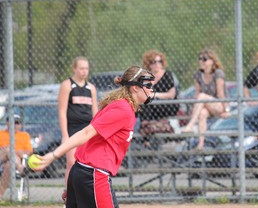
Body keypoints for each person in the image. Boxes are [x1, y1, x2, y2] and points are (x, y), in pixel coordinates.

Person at [32, 66, 155, 208]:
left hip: (85, 173)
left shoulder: (120, 106)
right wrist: (53, 155)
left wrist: (77, 185)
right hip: (93, 174)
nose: (151, 89)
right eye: (147, 85)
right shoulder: (123, 109)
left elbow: (92, 139)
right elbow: (86, 133)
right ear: (135, 87)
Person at [58, 56, 98, 202]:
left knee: (88, 165)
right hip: (73, 129)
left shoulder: (91, 88)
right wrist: (65, 135)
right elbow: (62, 112)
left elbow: (95, 113)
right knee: (71, 163)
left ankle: (87, 197)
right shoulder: (67, 85)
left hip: (87, 130)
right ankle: (69, 197)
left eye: (86, 68)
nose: (84, 71)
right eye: (81, 68)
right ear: (74, 68)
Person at [182, 49, 229, 150]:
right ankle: (200, 144)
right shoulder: (198, 75)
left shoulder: (218, 73)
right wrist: (194, 110)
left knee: (202, 96)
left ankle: (190, 124)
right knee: (202, 113)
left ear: (212, 61)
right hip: (205, 106)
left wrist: (226, 110)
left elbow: (221, 94)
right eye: (200, 59)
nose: (201, 61)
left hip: (219, 105)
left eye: (204, 59)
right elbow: (196, 94)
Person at [139, 50, 179, 145]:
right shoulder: (145, 77)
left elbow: (171, 95)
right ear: (149, 64)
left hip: (166, 106)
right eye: (154, 62)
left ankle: (146, 132)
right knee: (146, 103)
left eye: (159, 61)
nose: (157, 64)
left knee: (149, 102)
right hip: (151, 108)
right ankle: (148, 130)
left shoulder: (167, 75)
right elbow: (142, 94)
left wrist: (156, 95)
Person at [0, 114, 33, 198]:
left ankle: (0, 194)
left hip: (13, 162)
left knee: (9, 165)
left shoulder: (24, 135)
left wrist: (14, 152)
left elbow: (29, 151)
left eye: (17, 123)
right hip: (2, 157)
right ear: (7, 123)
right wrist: (14, 151)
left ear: (20, 125)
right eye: (12, 122)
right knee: (8, 149)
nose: (14, 125)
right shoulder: (1, 134)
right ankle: (21, 168)